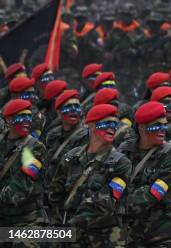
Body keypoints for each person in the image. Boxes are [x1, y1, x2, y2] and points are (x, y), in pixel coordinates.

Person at [48, 104, 131, 245]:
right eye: (106, 123)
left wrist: (70, 227)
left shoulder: (121, 163)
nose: (112, 127)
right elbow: (55, 195)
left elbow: (107, 202)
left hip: (105, 238)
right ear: (90, 125)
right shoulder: (71, 157)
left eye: (114, 124)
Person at [119, 101, 171, 247]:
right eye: (156, 126)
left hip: (159, 232)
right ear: (141, 127)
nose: (162, 130)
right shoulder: (125, 150)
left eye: (164, 125)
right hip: (128, 232)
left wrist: (120, 206)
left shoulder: (169, 153)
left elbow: (155, 192)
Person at [0, 99, 46, 231]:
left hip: (27, 220)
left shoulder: (36, 148)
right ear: (9, 120)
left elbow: (21, 188)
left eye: (28, 116)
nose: (27, 120)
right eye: (21, 116)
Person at [43, 89, 88, 187]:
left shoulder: (86, 135)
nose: (73, 110)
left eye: (76, 106)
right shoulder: (52, 135)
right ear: (59, 112)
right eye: (68, 107)